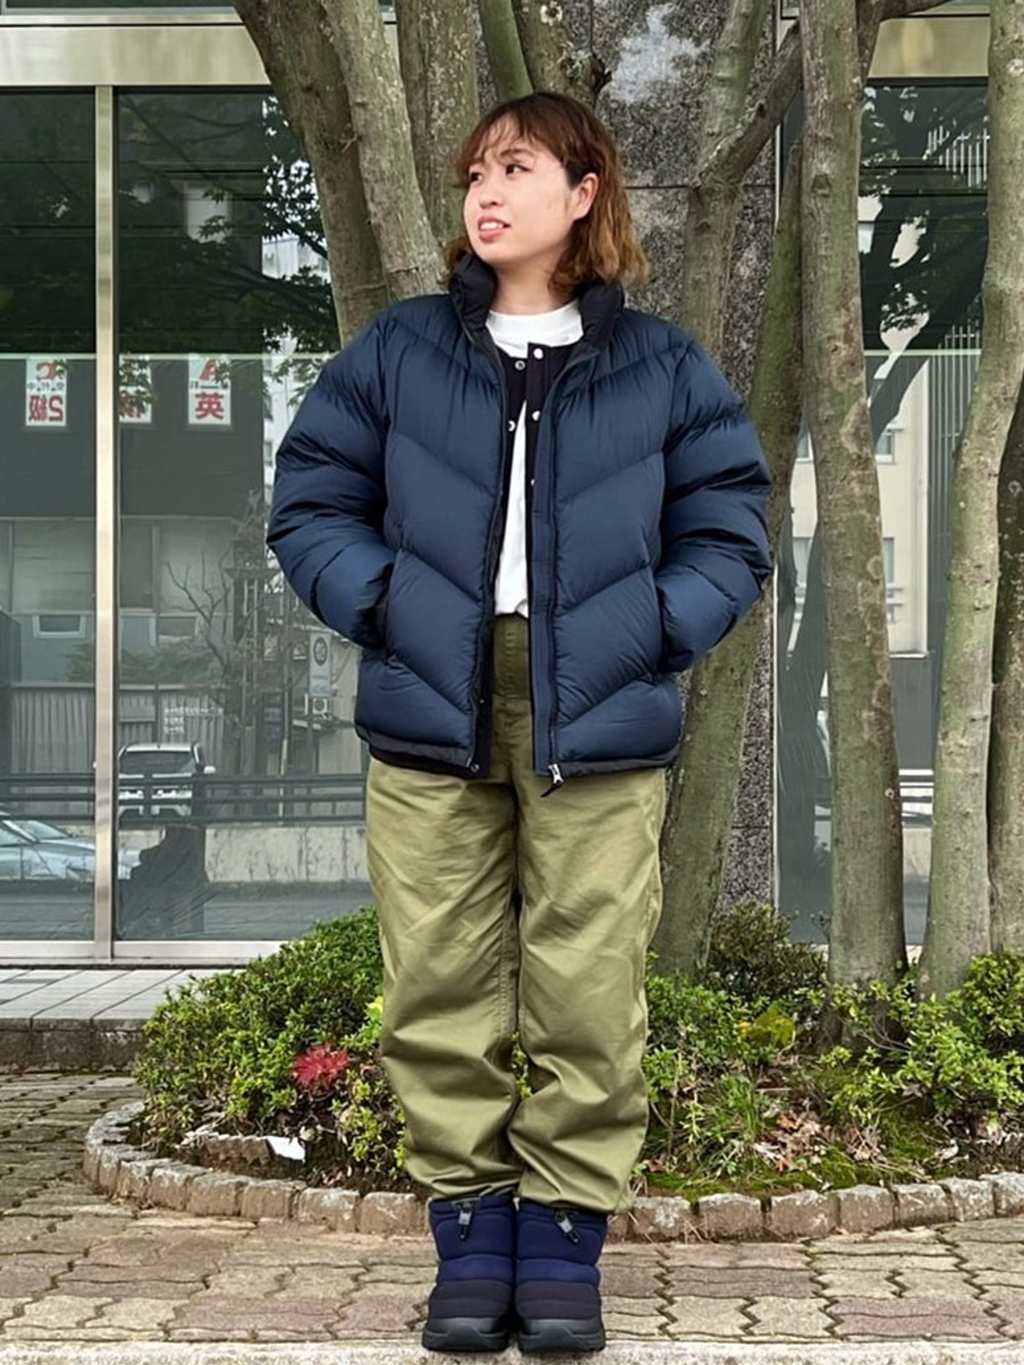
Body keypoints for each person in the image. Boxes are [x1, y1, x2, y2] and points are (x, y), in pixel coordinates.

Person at [268, 91, 771, 1354]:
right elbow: (311, 497)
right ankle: (469, 1233)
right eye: (476, 173)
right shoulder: (400, 350)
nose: (486, 193)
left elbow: (731, 527)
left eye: (517, 168)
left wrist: (647, 630)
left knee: (587, 983)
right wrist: (386, 604)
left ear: (584, 192)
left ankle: (561, 1238)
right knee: (436, 979)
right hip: (431, 699)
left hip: (597, 704)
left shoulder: (660, 365)